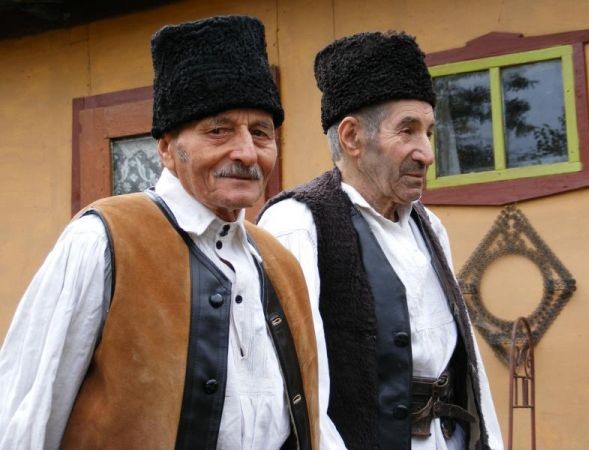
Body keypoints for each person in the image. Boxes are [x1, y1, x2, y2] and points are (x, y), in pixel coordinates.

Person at [0, 16, 319, 450]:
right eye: (219, 130)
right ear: (167, 148)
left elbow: (310, 420)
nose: (247, 153)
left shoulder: (281, 264)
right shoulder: (103, 241)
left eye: (261, 133)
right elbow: (26, 414)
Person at [258, 31, 503, 450]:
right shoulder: (297, 223)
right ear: (352, 137)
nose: (426, 153)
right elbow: (295, 389)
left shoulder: (429, 225)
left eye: (428, 132)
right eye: (407, 131)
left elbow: (469, 361)